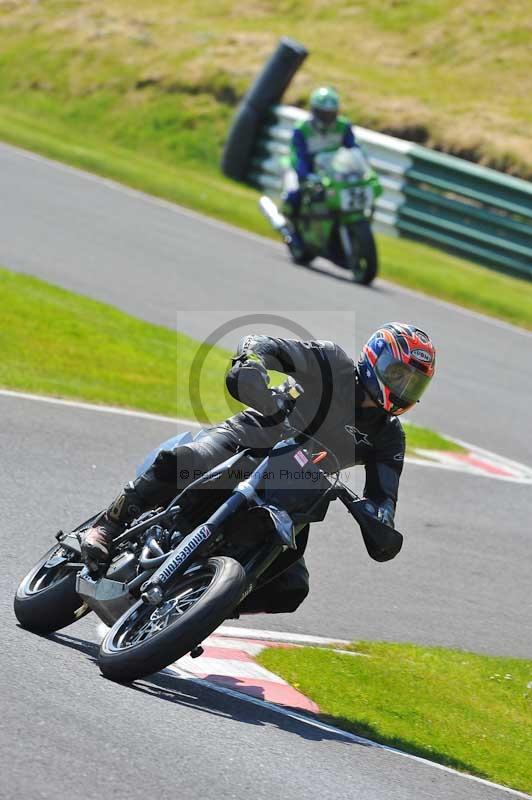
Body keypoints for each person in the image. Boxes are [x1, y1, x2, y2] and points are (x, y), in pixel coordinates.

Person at [80, 323, 436, 614]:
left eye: (413, 383)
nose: (402, 387)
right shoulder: (331, 362)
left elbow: (384, 500)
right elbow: (265, 344)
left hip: (296, 486)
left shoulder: (389, 437)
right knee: (189, 461)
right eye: (398, 374)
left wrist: (376, 517)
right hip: (250, 439)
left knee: (290, 587)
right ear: (375, 357)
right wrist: (252, 363)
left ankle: (201, 604)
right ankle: (107, 525)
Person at [281, 86, 358, 257]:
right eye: (323, 113)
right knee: (294, 195)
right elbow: (299, 155)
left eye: (331, 113)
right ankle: (291, 230)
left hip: (330, 171)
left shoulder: (343, 126)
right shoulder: (302, 128)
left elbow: (353, 149)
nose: (327, 117)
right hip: (303, 168)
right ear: (314, 111)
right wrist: (306, 175)